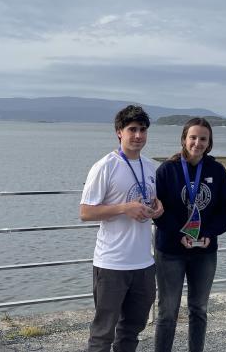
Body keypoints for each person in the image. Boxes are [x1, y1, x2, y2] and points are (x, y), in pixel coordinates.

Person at [80, 105, 165, 352]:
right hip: (111, 263)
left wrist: (159, 208)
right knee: (103, 333)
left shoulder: (150, 167)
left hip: (143, 263)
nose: (138, 135)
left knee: (133, 330)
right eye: (132, 130)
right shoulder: (105, 166)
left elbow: (151, 202)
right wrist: (122, 208)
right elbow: (85, 212)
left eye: (143, 130)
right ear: (119, 132)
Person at [153, 117, 226, 352]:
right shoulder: (167, 170)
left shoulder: (216, 170)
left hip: (204, 250)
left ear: (209, 143)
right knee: (168, 311)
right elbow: (157, 212)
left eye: (203, 139)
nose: (197, 143)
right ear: (184, 139)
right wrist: (180, 234)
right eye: (193, 137)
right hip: (170, 251)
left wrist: (209, 233)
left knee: (198, 309)